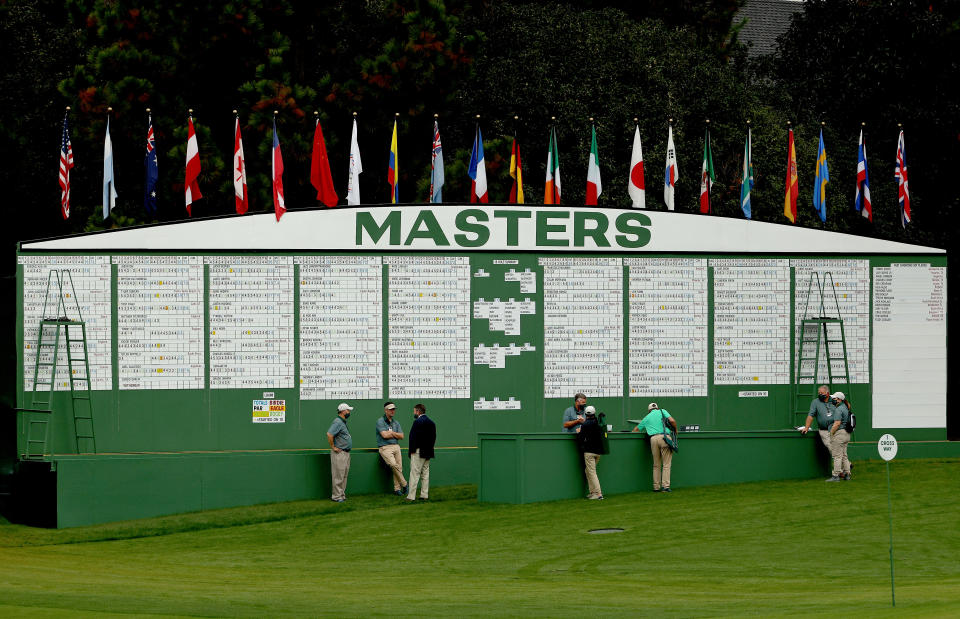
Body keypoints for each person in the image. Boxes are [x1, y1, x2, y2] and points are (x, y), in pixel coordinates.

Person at [633, 402, 677, 492]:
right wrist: (675, 430)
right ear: (657, 408)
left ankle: (656, 487)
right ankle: (665, 487)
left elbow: (636, 430)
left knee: (656, 465)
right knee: (666, 464)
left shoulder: (647, 417)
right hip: (664, 437)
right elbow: (672, 421)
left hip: (653, 439)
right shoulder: (662, 411)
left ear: (649, 410)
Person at [800, 385, 838, 466]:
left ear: (827, 394)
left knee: (840, 449)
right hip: (824, 430)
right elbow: (810, 415)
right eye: (819, 393)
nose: (820, 394)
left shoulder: (834, 401)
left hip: (836, 429)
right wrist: (806, 427)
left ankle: (847, 467)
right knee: (832, 448)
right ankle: (840, 471)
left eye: (822, 393)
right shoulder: (815, 402)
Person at [406, 403, 437, 502]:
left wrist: (411, 451)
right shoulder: (432, 423)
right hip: (428, 452)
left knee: (415, 474)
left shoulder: (417, 422)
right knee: (425, 474)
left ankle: (411, 496)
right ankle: (424, 495)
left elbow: (412, 438)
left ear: (418, 411)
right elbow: (433, 438)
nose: (414, 412)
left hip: (418, 451)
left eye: (414, 411)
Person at [376, 401, 408, 496]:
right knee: (394, 465)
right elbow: (384, 435)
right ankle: (405, 484)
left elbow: (402, 436)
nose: (392, 411)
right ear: (386, 410)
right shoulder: (380, 421)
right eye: (390, 409)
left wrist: (392, 433)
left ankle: (397, 489)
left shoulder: (396, 422)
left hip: (396, 446)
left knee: (399, 468)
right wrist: (395, 434)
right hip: (385, 447)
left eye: (393, 409)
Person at [326, 402, 354, 502]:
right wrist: (333, 447)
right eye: (348, 410)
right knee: (338, 476)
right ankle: (336, 497)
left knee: (344, 475)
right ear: (342, 411)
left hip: (346, 452)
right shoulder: (337, 422)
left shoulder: (342, 422)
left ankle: (341, 495)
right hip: (339, 453)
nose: (349, 412)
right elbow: (329, 434)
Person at [577, 405, 605, 500]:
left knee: (592, 472)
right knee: (588, 471)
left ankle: (598, 494)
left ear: (585, 414)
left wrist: (579, 432)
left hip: (589, 452)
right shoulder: (598, 422)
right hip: (598, 452)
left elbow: (581, 438)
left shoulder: (585, 425)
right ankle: (592, 492)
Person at [827, 392, 852, 482]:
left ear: (839, 399)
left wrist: (831, 433)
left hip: (839, 434)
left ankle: (835, 475)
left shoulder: (839, 409)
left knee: (837, 456)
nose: (833, 400)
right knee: (844, 456)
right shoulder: (845, 408)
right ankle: (847, 474)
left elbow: (837, 423)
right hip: (846, 434)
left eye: (834, 398)